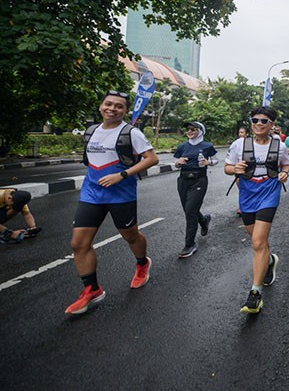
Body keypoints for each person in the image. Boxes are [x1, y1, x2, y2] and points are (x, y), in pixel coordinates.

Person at [65, 90, 159, 315]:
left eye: (118, 106)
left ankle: (142, 263)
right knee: (78, 243)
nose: (112, 109)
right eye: (108, 104)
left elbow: (152, 158)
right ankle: (92, 289)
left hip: (121, 195)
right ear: (101, 106)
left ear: (125, 111)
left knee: (130, 236)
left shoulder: (131, 133)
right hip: (91, 194)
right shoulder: (91, 131)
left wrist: (122, 175)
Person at [224, 107, 289, 314]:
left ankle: (255, 293)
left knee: (258, 242)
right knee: (255, 237)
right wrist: (234, 169)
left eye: (264, 121)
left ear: (271, 125)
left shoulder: (279, 146)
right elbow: (227, 167)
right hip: (247, 193)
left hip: (269, 192)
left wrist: (284, 174)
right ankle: (270, 261)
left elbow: (286, 165)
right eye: (255, 120)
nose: (258, 124)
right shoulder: (239, 145)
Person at [173, 121, 218, 258]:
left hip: (199, 180)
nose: (190, 132)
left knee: (190, 211)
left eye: (193, 129)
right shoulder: (182, 146)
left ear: (201, 131)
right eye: (188, 129)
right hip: (183, 180)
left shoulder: (207, 146)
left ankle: (189, 245)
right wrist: (178, 163)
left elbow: (215, 160)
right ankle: (203, 220)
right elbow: (175, 163)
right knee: (188, 209)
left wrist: (208, 162)